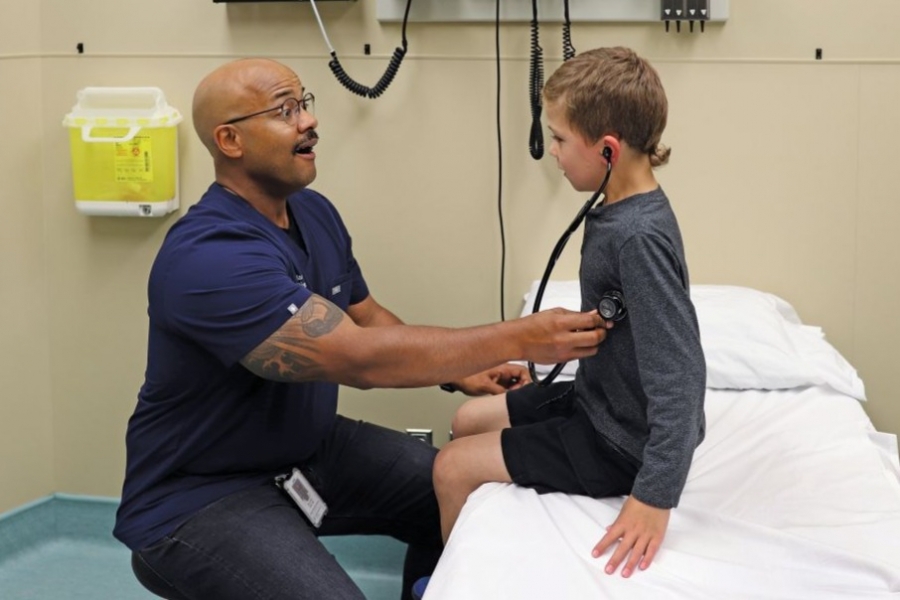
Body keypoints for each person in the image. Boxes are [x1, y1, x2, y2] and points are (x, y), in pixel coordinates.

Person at [112, 57, 608, 600]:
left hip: (307, 451)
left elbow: (367, 317)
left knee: (460, 489)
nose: (308, 122)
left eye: (304, 104)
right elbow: (359, 357)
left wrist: (467, 371)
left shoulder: (313, 213)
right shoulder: (208, 257)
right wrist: (518, 336)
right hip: (200, 497)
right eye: (284, 111)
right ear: (230, 140)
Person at [432, 46, 706, 582]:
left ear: (607, 151)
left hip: (620, 442)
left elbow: (682, 375)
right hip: (596, 399)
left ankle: (452, 582)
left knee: (451, 467)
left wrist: (654, 494)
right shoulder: (620, 208)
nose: (551, 152)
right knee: (466, 419)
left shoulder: (638, 237)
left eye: (558, 139)